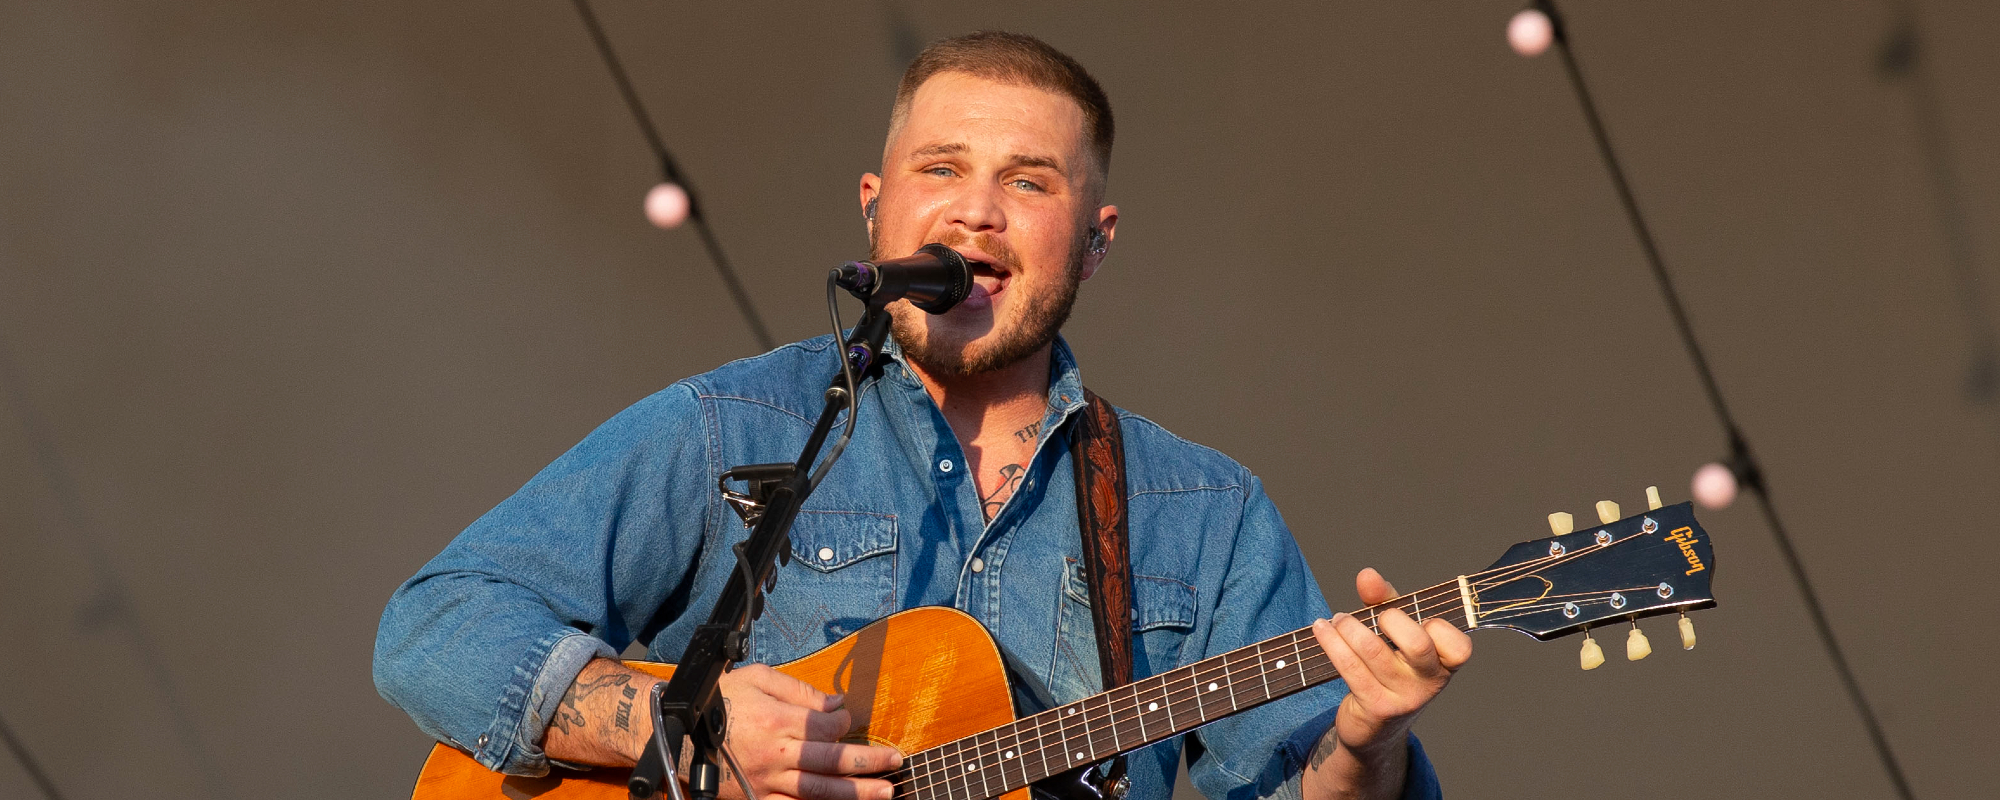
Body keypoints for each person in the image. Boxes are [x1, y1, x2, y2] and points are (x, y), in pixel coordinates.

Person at [374, 31, 1470, 800]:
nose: (974, 207)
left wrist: (1366, 743)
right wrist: (687, 726)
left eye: (1029, 181)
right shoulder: (731, 427)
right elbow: (434, 626)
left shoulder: (1203, 512)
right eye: (939, 167)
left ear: (1094, 236)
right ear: (876, 203)